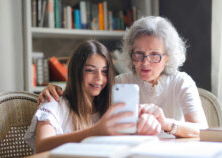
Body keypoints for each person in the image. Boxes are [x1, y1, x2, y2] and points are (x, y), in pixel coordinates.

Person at [37, 16, 209, 138]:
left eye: (154, 55)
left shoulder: (181, 81)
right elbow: (85, 99)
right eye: (139, 54)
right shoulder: (119, 83)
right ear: (130, 52)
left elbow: (202, 130)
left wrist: (166, 123)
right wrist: (53, 89)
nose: (145, 62)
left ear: (168, 57)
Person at [24, 40, 161, 153]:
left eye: (104, 71)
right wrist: (95, 131)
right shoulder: (54, 102)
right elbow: (42, 146)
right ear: (76, 72)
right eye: (90, 70)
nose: (99, 79)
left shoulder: (110, 107)